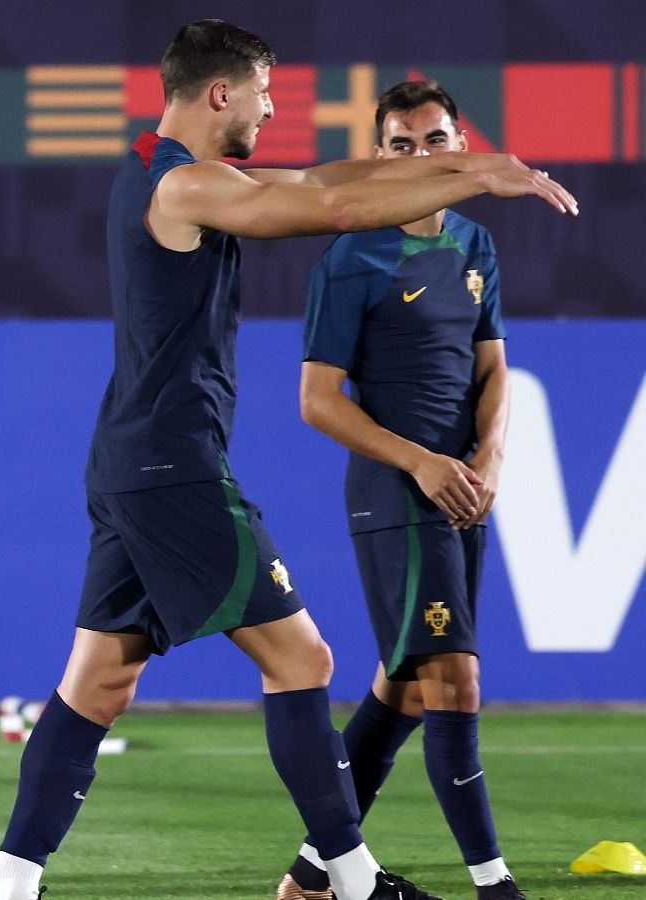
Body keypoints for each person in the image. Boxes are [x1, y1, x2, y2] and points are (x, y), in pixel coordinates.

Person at [0, 20, 575, 900]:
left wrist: (461, 173)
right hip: (173, 470)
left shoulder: (165, 170)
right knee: (304, 662)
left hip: (133, 464)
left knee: (98, 683)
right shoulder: (181, 185)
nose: (272, 106)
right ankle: (357, 883)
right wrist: (478, 172)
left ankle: (9, 886)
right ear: (220, 93)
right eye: (263, 91)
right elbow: (327, 207)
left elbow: (324, 178)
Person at [275, 80, 523, 900]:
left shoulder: (476, 242)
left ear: (462, 145)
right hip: (398, 494)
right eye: (401, 145)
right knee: (453, 678)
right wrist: (420, 462)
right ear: (379, 156)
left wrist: (486, 457)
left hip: (464, 493)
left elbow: (492, 367)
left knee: (407, 689)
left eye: (436, 140)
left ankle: (314, 875)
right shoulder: (351, 255)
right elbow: (317, 400)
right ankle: (495, 886)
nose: (421, 157)